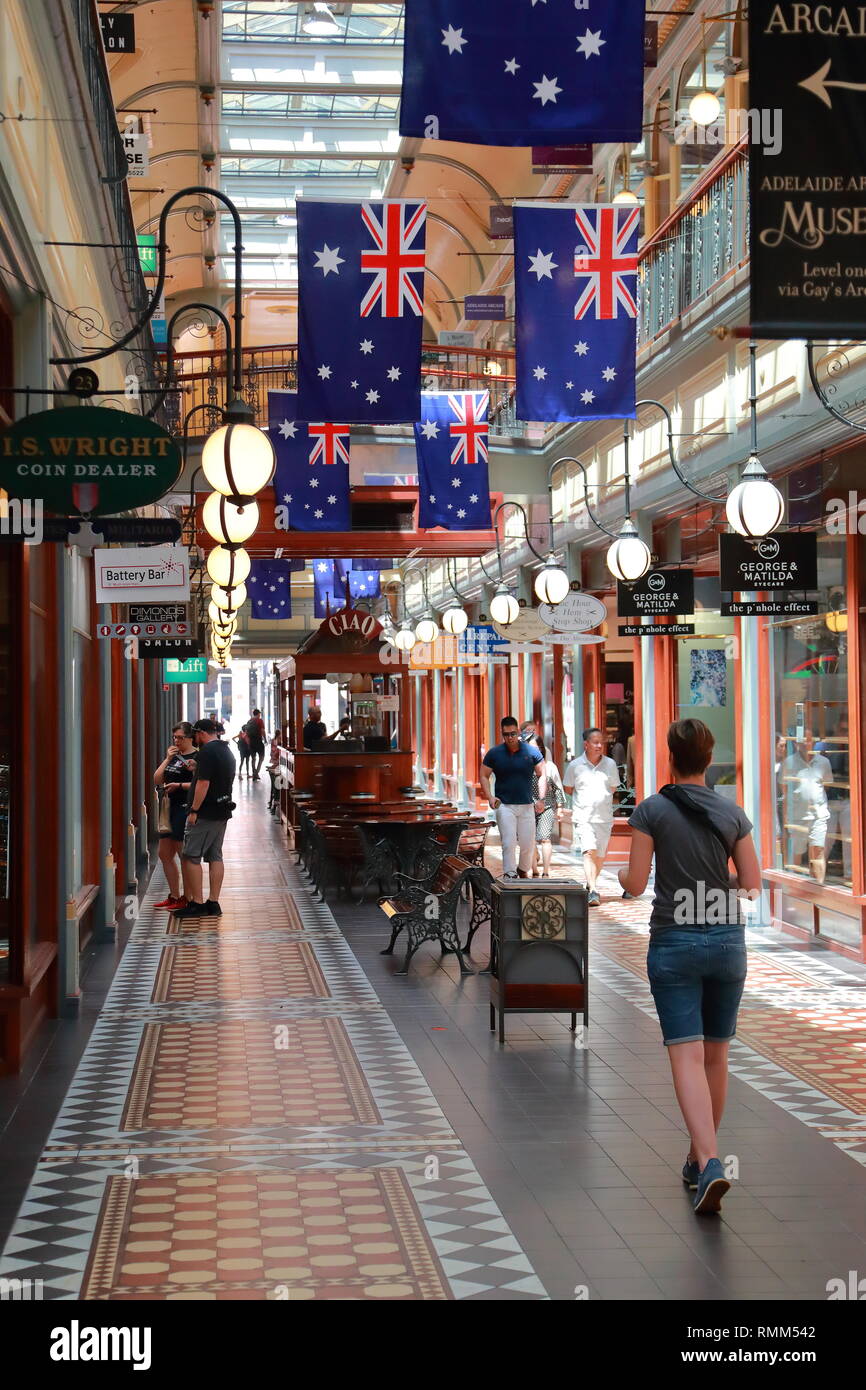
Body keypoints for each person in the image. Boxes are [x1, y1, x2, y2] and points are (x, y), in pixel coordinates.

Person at [619, 718, 761, 1216]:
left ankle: (710, 1162)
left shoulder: (651, 810)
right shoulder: (733, 813)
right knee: (716, 1057)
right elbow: (751, 884)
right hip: (727, 943)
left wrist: (621, 872)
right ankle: (699, 1159)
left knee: (685, 1056)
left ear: (671, 756)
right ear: (709, 756)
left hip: (674, 943)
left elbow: (635, 884)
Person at [174, 718, 237, 920]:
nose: (195, 739)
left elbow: (203, 783)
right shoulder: (225, 750)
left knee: (190, 856)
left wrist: (193, 810)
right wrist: (197, 766)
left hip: (206, 812)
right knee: (215, 856)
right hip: (222, 810)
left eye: (195, 735)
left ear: (201, 733)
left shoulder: (207, 752)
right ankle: (213, 902)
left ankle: (197, 903)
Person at [480, 715, 546, 880]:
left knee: (527, 844)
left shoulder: (531, 751)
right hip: (505, 805)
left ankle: (523, 869)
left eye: (513, 733)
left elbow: (542, 774)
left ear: (518, 732)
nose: (510, 738)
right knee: (508, 842)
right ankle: (510, 874)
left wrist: (541, 798)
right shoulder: (494, 753)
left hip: (526, 805)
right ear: (502, 734)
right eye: (506, 734)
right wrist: (490, 797)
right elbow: (483, 775)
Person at [563, 727, 621, 906]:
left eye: (601, 742)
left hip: (604, 818)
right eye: (595, 742)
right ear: (586, 744)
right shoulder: (575, 766)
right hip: (584, 817)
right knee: (589, 852)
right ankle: (594, 890)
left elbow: (613, 787)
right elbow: (568, 788)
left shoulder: (610, 764)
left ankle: (590, 884)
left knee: (600, 856)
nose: (599, 746)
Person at [153, 722, 198, 911]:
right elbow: (157, 778)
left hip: (183, 807)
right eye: (175, 738)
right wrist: (166, 759)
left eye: (180, 737)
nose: (177, 741)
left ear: (190, 738)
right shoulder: (173, 756)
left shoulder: (197, 757)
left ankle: (188, 897)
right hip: (167, 807)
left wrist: (180, 784)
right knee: (164, 853)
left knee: (183, 854)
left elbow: (201, 784)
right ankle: (174, 895)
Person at [532, 737, 566, 877]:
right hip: (528, 808)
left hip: (547, 807)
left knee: (545, 838)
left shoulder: (550, 766)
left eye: (537, 747)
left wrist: (560, 808)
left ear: (541, 749)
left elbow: (557, 788)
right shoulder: (524, 767)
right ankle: (534, 869)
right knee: (530, 840)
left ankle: (546, 871)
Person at [246, 708, 266, 779]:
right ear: (258, 714)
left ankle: (254, 772)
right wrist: (265, 739)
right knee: (261, 758)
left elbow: (246, 734)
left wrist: (248, 743)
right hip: (258, 741)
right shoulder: (260, 721)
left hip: (251, 742)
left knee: (253, 758)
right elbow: (262, 730)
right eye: (259, 714)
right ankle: (256, 773)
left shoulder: (249, 721)